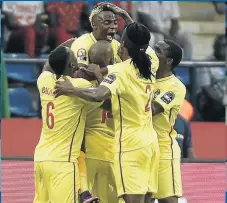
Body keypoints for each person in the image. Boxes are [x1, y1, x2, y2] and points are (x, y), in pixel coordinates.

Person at [54, 22, 160, 203]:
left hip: (130, 145)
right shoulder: (150, 65)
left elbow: (98, 94)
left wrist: (70, 90)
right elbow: (115, 102)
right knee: (147, 200)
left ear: (123, 46)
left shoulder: (120, 72)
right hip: (150, 143)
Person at [34, 46, 100, 203]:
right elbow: (102, 94)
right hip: (63, 162)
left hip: (41, 158)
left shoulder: (43, 80)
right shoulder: (79, 85)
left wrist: (63, 47)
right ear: (71, 66)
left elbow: (47, 66)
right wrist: (98, 74)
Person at [151, 40, 186, 203]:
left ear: (169, 60)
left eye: (158, 50)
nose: (152, 52)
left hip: (163, 150)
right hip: (141, 149)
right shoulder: (145, 78)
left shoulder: (175, 86)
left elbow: (151, 110)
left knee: (168, 200)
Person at [84, 40, 118, 203]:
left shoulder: (81, 85)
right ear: (112, 61)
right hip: (114, 153)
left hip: (89, 152)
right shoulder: (122, 82)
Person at [70, 2, 133, 68]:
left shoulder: (117, 45)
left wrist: (125, 15)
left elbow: (133, 66)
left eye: (115, 23)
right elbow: (80, 73)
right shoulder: (82, 43)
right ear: (94, 24)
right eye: (107, 23)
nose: (113, 26)